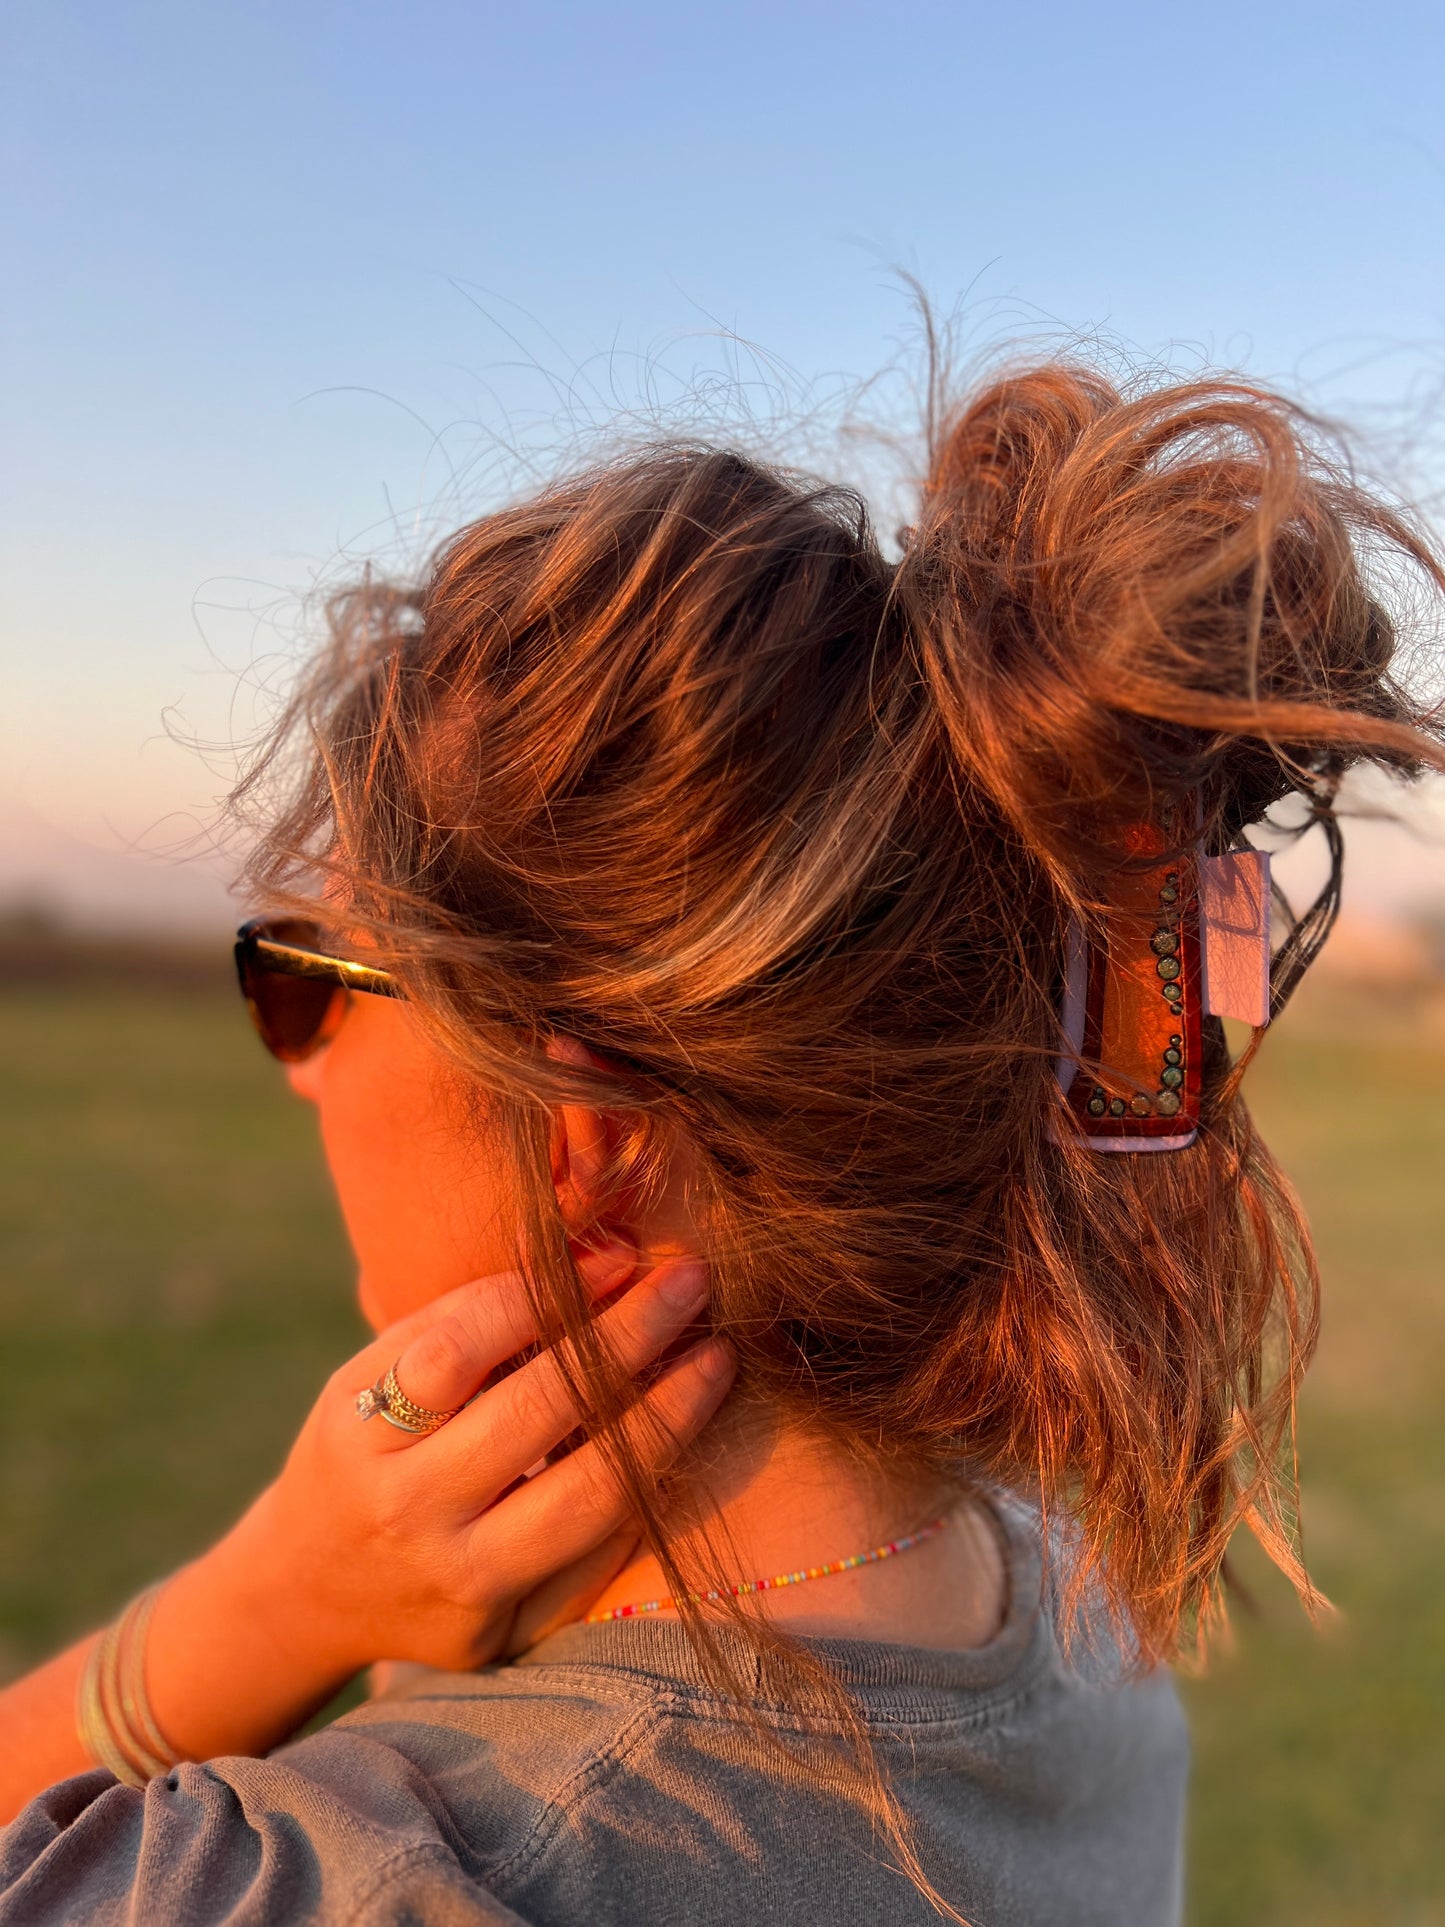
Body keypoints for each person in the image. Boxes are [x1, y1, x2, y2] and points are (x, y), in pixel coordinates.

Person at [1, 361, 1440, 1925]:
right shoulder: (1074, 1633)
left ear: (580, 1127)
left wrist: (253, 1619)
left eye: (301, 982)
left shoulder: (305, 1886)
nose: (295, 1072)